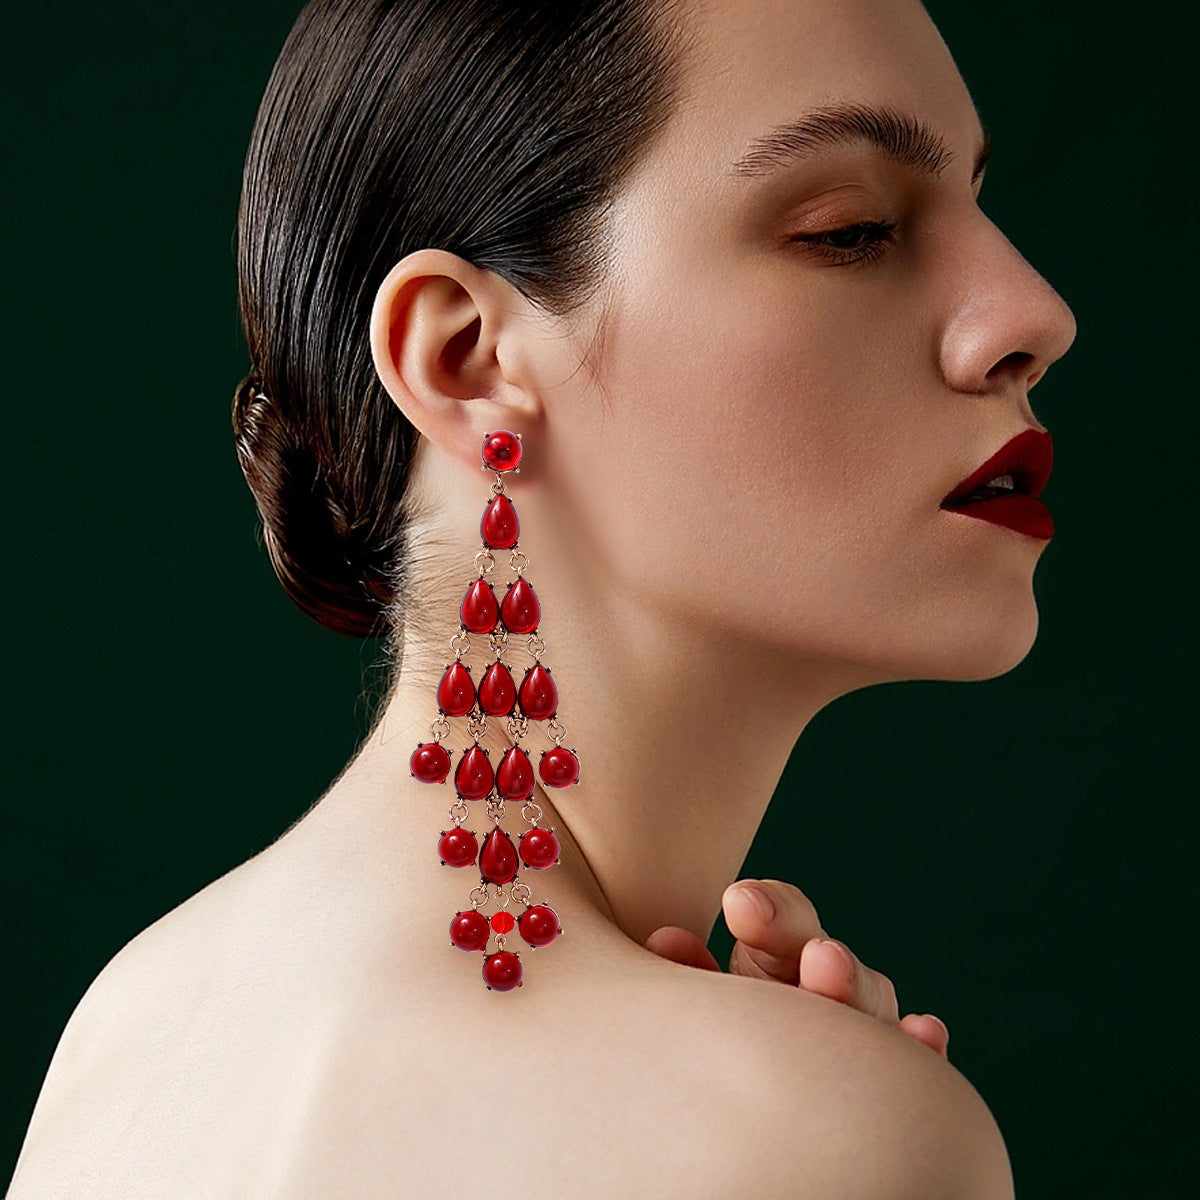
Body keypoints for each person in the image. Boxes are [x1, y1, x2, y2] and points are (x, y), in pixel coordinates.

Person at [8, 0, 1075, 1195]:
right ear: (464, 356)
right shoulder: (802, 1131)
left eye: (980, 206)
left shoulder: (133, 1028)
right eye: (853, 230)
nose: (1032, 314)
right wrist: (832, 1127)